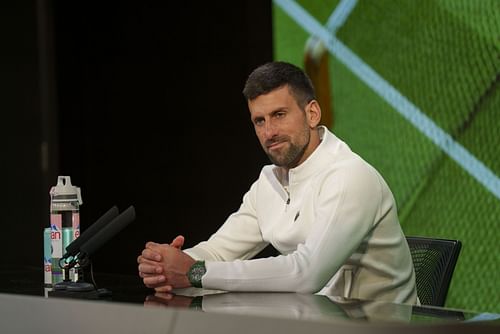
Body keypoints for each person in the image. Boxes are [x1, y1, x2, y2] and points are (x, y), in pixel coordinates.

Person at [137, 61, 418, 304]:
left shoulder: (349, 176)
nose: (269, 132)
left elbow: (307, 273)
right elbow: (217, 251)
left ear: (312, 114)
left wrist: (192, 272)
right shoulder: (268, 182)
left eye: (279, 115)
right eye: (259, 121)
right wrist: (167, 264)